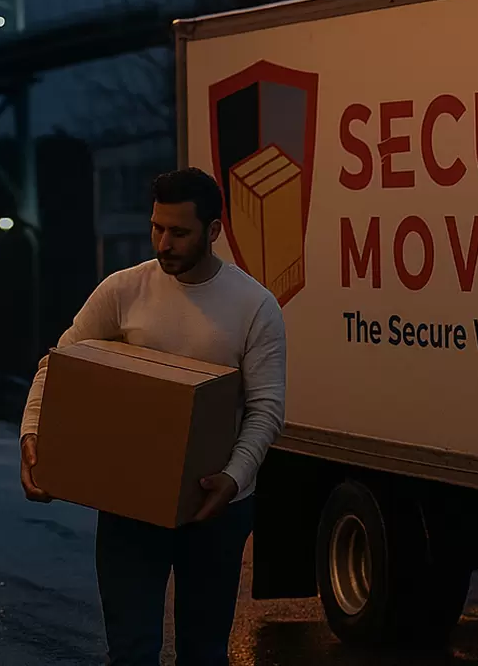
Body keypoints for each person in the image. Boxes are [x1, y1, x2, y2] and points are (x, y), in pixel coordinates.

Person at [18, 167, 287, 666]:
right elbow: (57, 366)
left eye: (179, 232)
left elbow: (266, 409)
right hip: (130, 501)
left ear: (213, 230)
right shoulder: (123, 290)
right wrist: (33, 434)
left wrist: (233, 477)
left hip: (216, 506)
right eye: (157, 228)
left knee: (204, 653)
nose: (164, 243)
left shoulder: (255, 306)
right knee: (131, 651)